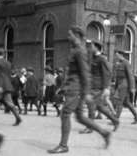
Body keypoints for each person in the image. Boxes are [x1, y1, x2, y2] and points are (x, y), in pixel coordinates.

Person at [47, 26, 110, 154]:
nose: (68, 37)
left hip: (76, 88)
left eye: (70, 35)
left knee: (65, 114)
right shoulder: (75, 50)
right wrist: (63, 87)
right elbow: (71, 71)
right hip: (73, 86)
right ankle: (104, 133)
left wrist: (86, 92)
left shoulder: (80, 51)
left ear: (77, 36)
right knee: (80, 117)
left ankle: (63, 145)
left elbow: (85, 72)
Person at [79, 40, 119, 134]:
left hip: (98, 87)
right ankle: (115, 120)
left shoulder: (101, 59)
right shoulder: (92, 58)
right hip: (92, 85)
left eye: (91, 46)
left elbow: (107, 73)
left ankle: (90, 127)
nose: (90, 48)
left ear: (96, 47)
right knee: (99, 107)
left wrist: (106, 87)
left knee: (91, 106)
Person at [0, 48, 22, 126]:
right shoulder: (8, 63)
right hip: (7, 85)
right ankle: (18, 117)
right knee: (10, 103)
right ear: (4, 54)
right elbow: (8, 75)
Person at [113, 50, 137, 124]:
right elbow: (117, 76)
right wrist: (116, 86)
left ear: (121, 55)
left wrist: (132, 87)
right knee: (127, 102)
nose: (116, 56)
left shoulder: (126, 63)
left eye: (117, 55)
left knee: (120, 102)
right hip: (120, 84)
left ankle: (115, 119)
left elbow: (130, 76)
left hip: (124, 85)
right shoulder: (119, 63)